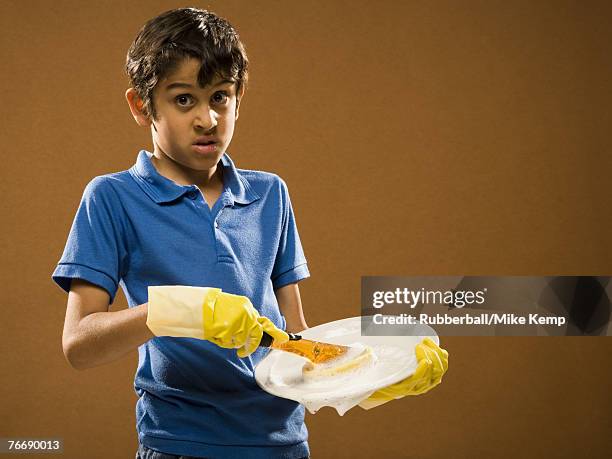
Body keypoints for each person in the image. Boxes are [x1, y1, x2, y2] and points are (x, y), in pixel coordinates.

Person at [52, 8, 448, 459]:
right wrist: (176, 310)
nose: (207, 119)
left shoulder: (271, 194)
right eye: (184, 100)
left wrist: (370, 376)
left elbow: (294, 338)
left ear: (239, 98)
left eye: (220, 97)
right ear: (142, 106)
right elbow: (79, 344)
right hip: (180, 443)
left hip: (282, 444)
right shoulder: (112, 198)